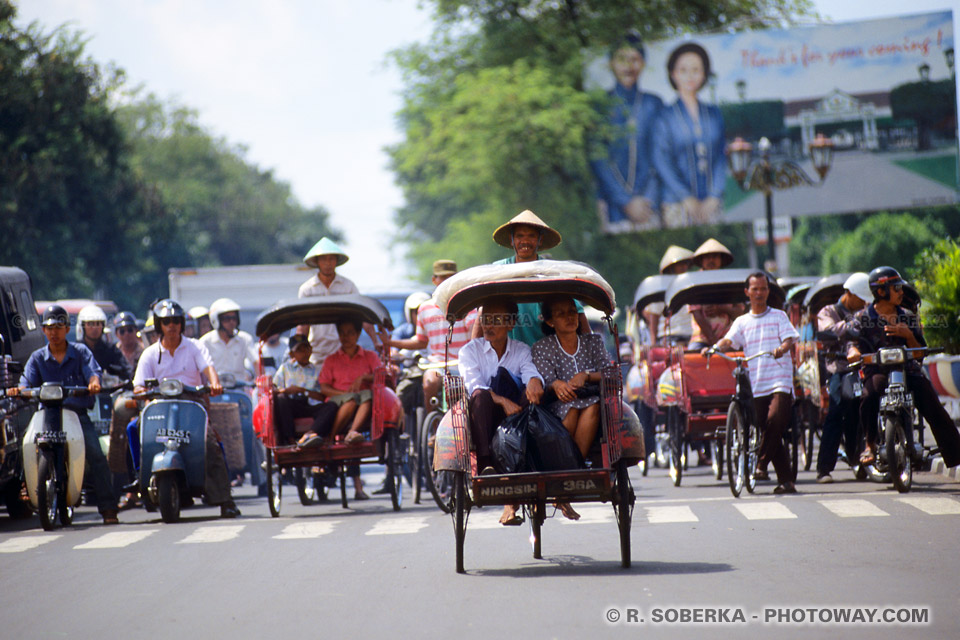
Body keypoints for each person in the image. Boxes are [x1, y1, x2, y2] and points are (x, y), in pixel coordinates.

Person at [132, 299, 241, 518]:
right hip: (159, 405)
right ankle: (138, 485)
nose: (171, 325)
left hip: (192, 403)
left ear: (181, 323)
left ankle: (225, 500)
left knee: (209, 443)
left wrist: (214, 382)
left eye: (175, 321)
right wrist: (141, 393)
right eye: (166, 321)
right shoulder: (150, 353)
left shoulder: (194, 346)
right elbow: (138, 385)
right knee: (138, 434)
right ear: (159, 325)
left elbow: (208, 368)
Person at [10, 305, 119, 524]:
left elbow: (93, 373)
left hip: (76, 414)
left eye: (59, 327)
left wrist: (94, 383)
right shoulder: (37, 358)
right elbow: (26, 383)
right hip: (46, 413)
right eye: (49, 327)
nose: (54, 332)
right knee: (25, 445)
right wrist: (19, 390)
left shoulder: (81, 352)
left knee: (97, 456)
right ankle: (23, 487)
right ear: (43, 330)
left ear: (67, 328)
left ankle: (108, 508)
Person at [847, 267, 960, 469]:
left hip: (908, 371)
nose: (901, 292)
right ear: (881, 292)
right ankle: (870, 445)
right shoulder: (862, 317)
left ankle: (956, 456)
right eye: (896, 288)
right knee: (868, 396)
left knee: (933, 404)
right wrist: (853, 352)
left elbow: (919, 352)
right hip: (878, 372)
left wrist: (907, 335)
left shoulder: (907, 316)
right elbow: (852, 342)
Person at [708, 272, 798, 494]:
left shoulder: (778, 316)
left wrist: (782, 349)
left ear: (768, 291)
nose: (759, 293)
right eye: (755, 289)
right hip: (757, 382)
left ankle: (760, 464)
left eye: (763, 289)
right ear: (747, 292)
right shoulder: (742, 321)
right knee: (762, 425)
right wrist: (716, 347)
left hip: (779, 379)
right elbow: (730, 340)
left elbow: (789, 340)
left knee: (775, 420)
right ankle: (786, 481)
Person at [459, 299, 545, 525]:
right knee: (481, 397)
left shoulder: (521, 350)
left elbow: (530, 372)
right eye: (486, 319)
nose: (489, 325)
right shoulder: (470, 351)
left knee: (532, 394)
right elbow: (474, 385)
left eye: (496, 320)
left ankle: (530, 461)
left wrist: (535, 381)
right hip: (483, 419)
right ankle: (486, 463)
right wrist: (501, 400)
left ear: (511, 323)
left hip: (515, 419)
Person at [477, 210, 589, 345]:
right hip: (508, 356)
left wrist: (588, 350)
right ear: (512, 240)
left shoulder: (552, 271)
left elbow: (578, 313)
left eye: (531, 236)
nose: (525, 241)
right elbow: (483, 313)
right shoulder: (499, 270)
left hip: (547, 356)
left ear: (540, 240)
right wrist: (475, 350)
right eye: (519, 236)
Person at [589, 32, 664, 233]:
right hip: (613, 207)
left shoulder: (653, 104)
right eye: (622, 59)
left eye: (634, 59)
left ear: (643, 63)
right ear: (611, 63)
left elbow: (661, 155)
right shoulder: (600, 106)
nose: (628, 66)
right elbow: (598, 160)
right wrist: (625, 201)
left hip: (649, 209)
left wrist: (648, 198)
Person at [652, 43, 726, 228]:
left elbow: (720, 157)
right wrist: (685, 196)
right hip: (677, 204)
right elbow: (661, 160)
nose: (690, 76)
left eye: (696, 69)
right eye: (683, 70)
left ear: (704, 73)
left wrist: (714, 196)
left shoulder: (713, 114)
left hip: (711, 205)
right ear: (673, 74)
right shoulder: (664, 117)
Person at [382, 261, 477, 405]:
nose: (447, 282)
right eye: (442, 278)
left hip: (463, 364)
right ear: (434, 280)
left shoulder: (467, 304)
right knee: (429, 383)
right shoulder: (425, 308)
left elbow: (474, 335)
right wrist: (390, 343)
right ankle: (432, 423)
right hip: (437, 366)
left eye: (451, 277)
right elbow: (421, 341)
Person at [531, 296, 611, 461]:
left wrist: (586, 376)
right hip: (558, 406)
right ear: (550, 322)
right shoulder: (542, 347)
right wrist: (557, 385)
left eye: (572, 312)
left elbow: (609, 372)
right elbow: (546, 380)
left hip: (593, 401)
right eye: (561, 314)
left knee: (593, 406)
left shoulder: (593, 342)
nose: (569, 317)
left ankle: (573, 464)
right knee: (573, 407)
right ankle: (574, 464)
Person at [317, 318, 383, 500]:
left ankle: (352, 432)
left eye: (350, 333)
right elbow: (323, 387)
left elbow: (381, 375)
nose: (346, 337)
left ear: (358, 334)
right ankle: (332, 437)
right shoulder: (331, 360)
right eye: (342, 333)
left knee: (366, 396)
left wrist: (363, 378)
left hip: (364, 406)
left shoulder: (369, 356)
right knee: (353, 399)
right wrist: (343, 393)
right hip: (338, 403)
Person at [814, 272, 871, 483]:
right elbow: (828, 331)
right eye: (861, 298)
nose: (864, 302)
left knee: (865, 407)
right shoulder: (828, 311)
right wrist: (852, 327)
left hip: (864, 365)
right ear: (849, 293)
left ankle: (862, 458)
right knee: (836, 412)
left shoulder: (866, 310)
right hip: (840, 369)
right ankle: (824, 469)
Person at [297, 237, 379, 365]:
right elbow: (302, 325)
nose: (328, 263)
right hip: (317, 352)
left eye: (331, 259)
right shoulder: (307, 289)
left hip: (343, 351)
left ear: (336, 261)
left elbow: (363, 316)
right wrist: (299, 350)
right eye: (324, 259)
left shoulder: (348, 286)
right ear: (317, 262)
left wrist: (376, 341)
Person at [272, 334, 338, 447]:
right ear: (292, 354)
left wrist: (303, 391)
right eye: (299, 350)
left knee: (332, 406)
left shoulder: (316, 370)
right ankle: (290, 440)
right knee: (281, 399)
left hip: (310, 405)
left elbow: (322, 396)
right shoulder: (285, 368)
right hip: (292, 406)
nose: (304, 353)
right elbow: (274, 389)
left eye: (306, 349)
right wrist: (286, 391)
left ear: (311, 350)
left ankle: (309, 435)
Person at [687, 239, 740, 351]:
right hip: (702, 338)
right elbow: (697, 314)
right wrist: (713, 341)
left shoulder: (731, 281)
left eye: (715, 256)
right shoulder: (694, 282)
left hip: (728, 337)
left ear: (721, 260)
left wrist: (722, 309)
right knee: (692, 354)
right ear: (702, 260)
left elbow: (739, 313)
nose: (711, 260)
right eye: (707, 257)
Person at [644, 245, 694, 344]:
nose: (684, 267)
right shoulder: (661, 289)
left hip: (690, 337)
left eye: (686, 264)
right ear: (671, 267)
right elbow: (654, 319)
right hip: (668, 338)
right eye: (680, 264)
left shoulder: (690, 286)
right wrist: (653, 343)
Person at [199, 298, 258, 382]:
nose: (231, 322)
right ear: (216, 320)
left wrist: (260, 382)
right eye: (226, 319)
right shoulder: (205, 341)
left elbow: (256, 362)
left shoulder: (244, 339)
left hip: (238, 389)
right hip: (214, 390)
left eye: (234, 318)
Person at [77, 304, 132, 381]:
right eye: (90, 324)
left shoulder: (111, 350)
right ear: (82, 326)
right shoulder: (76, 351)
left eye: (98, 324)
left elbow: (126, 373)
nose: (95, 328)